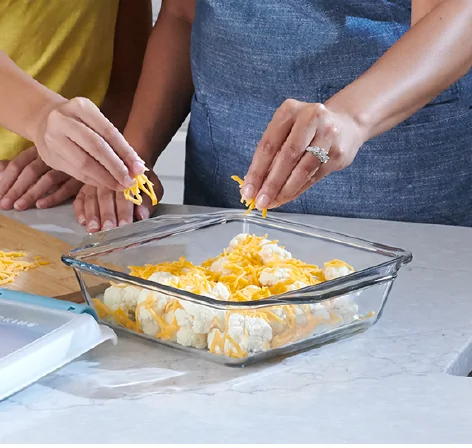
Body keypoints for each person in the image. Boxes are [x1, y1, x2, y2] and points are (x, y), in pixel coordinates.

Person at [75, 0, 472, 230]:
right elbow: (181, 13)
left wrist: (352, 117)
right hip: (220, 201)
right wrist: (132, 159)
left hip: (398, 198)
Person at [0, 0, 154, 231]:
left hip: (76, 191)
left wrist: (95, 148)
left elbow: (127, 79)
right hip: (7, 180)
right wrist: (41, 117)